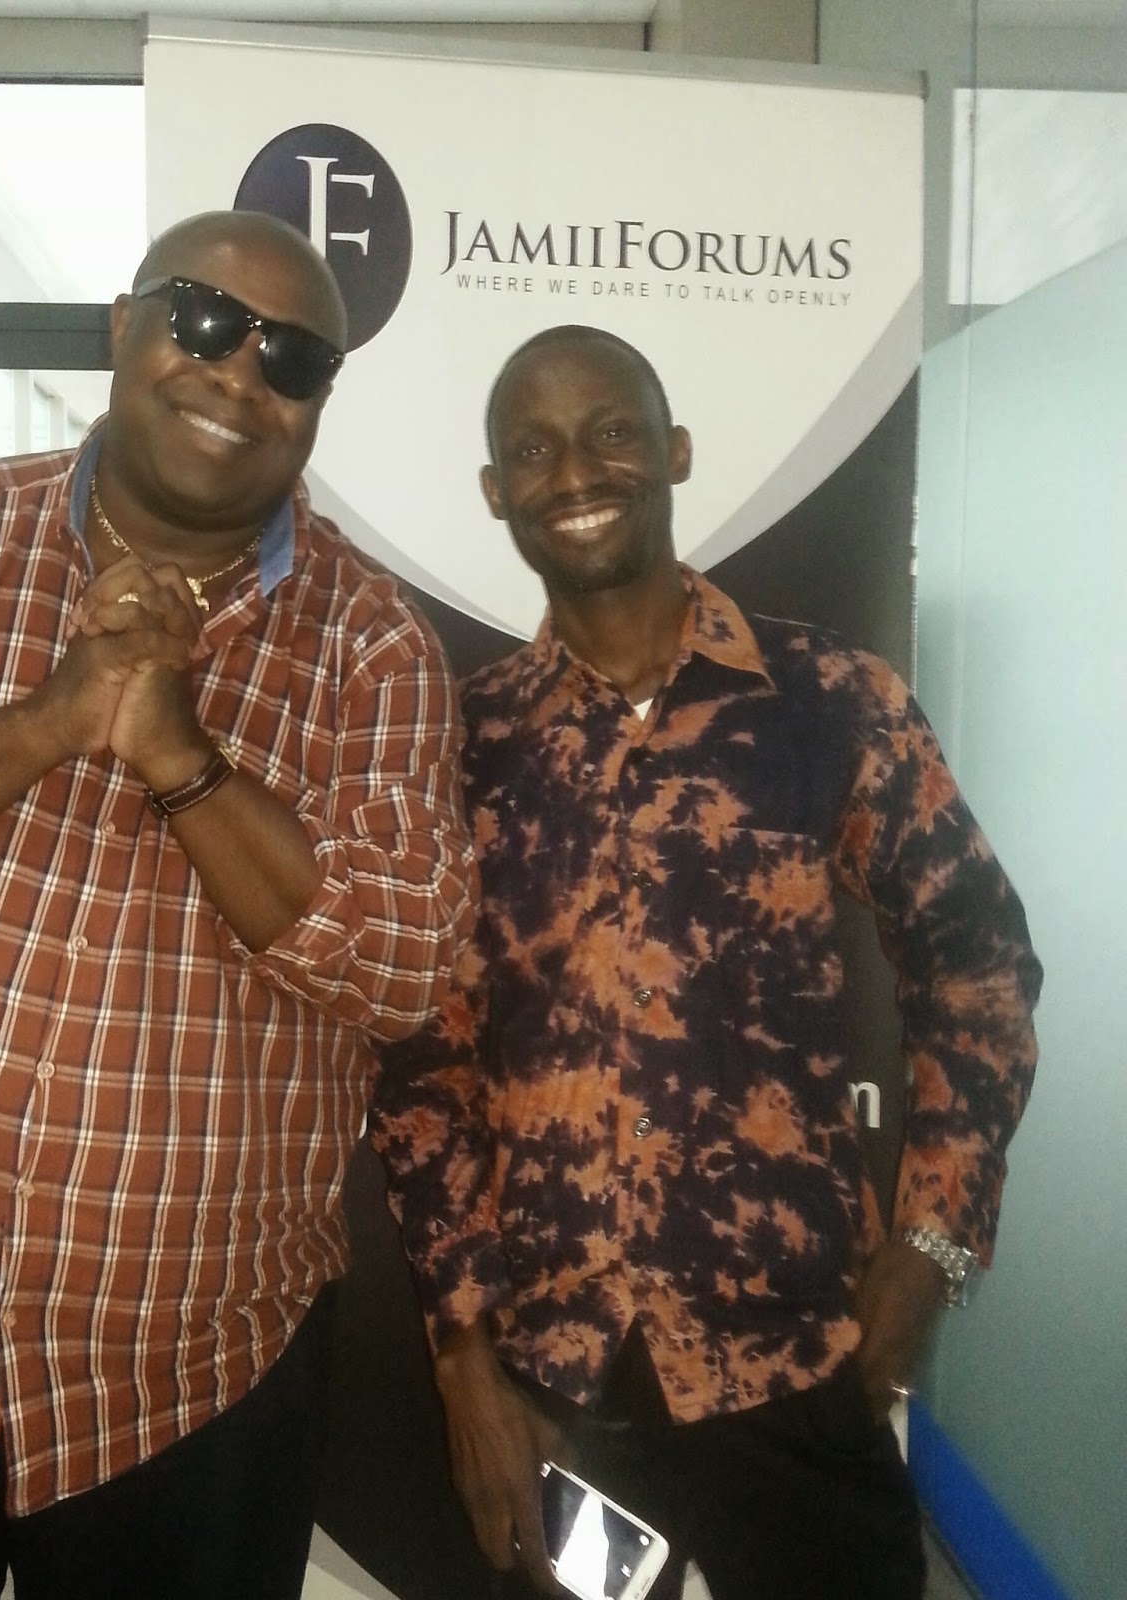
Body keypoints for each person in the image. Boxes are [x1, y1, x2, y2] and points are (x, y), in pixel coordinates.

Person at [370, 324, 1043, 1600]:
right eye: (534, 450)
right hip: (556, 1391)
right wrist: (462, 1353)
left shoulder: (830, 698)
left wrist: (933, 1244)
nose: (576, 472)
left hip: (799, 1368)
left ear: (674, 450)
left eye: (610, 432)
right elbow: (422, 1058)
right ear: (495, 491)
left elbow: (977, 965)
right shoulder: (466, 744)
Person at [0, 209, 474, 1600]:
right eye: (202, 320)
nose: (240, 373)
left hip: (186, 1384)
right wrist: (55, 720)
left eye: (292, 359)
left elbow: (407, 968)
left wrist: (183, 760)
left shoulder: (376, 647)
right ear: (120, 325)